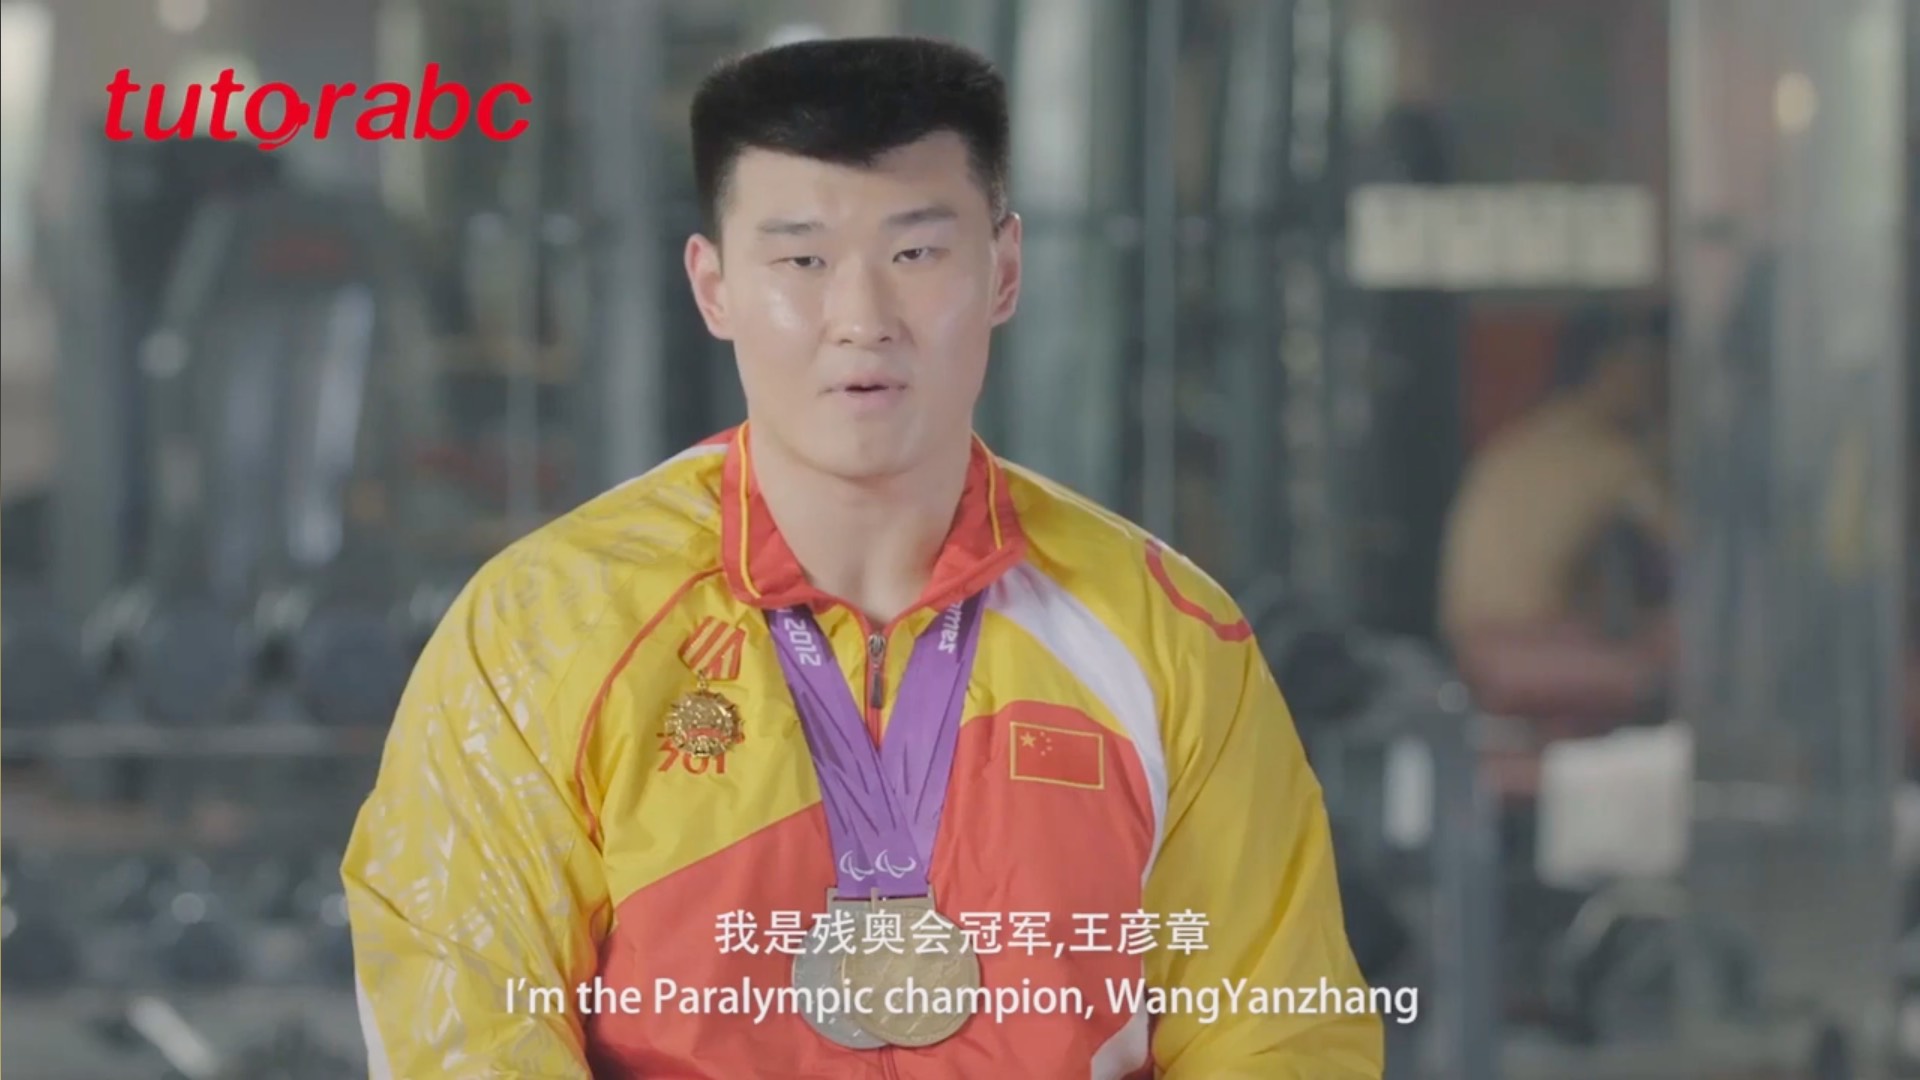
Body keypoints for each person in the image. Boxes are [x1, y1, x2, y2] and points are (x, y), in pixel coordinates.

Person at [342, 36, 1381, 1079]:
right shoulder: (543, 629)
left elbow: (1279, 1030)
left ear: (1005, 270)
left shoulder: (1165, 637)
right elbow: (463, 1030)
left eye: (916, 254)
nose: (862, 319)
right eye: (802, 260)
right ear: (713, 286)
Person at [1437, 306, 1675, 733]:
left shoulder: (1539, 433)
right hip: (1522, 647)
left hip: (1482, 643)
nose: (1659, 386)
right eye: (1651, 370)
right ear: (1610, 367)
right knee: (1673, 672)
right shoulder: (1607, 455)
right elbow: (1684, 540)